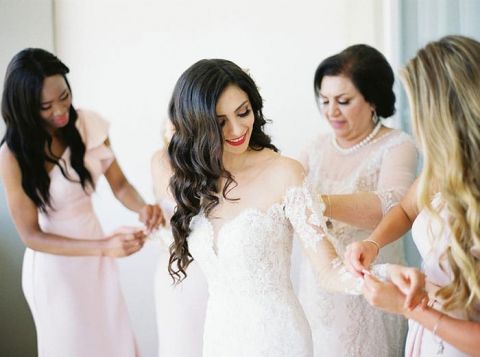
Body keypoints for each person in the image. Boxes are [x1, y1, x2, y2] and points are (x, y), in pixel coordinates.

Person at [165, 58, 421, 357]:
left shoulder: (284, 173)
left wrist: (388, 275)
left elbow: (329, 270)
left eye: (243, 112)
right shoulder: (195, 181)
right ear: (198, 124)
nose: (237, 129)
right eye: (220, 122)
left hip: (276, 338)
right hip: (220, 336)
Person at [0, 48, 164, 357]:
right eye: (45, 106)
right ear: (24, 108)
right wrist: (104, 246)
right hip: (55, 268)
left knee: (114, 343)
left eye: (64, 95)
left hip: (97, 256)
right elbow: (31, 236)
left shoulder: (88, 123)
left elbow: (120, 184)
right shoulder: (12, 156)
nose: (61, 110)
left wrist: (143, 208)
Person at [346, 35, 480, 356]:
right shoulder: (445, 167)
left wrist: (408, 308)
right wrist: (373, 243)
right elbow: (407, 210)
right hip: (429, 338)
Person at [296, 44, 418, 356]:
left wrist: (322, 203)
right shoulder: (314, 148)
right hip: (319, 292)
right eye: (324, 100)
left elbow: (394, 206)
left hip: (370, 292)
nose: (331, 111)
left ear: (372, 99)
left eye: (344, 101)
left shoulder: (397, 145)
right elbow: (289, 199)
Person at [150, 119, 208, 356]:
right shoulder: (159, 160)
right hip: (174, 269)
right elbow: (164, 211)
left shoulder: (215, 162)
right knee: (178, 343)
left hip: (210, 269)